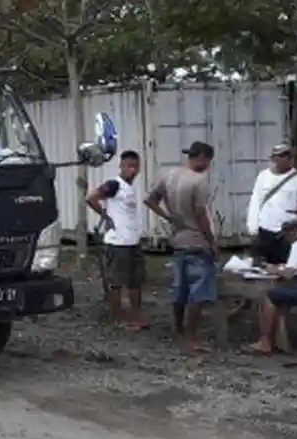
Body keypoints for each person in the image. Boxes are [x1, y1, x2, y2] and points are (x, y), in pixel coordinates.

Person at [144, 141, 217, 353]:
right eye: (208, 161)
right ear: (203, 158)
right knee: (198, 290)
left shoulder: (169, 175)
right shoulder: (199, 181)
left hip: (178, 239)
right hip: (196, 240)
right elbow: (201, 214)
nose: (208, 165)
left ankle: (178, 329)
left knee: (180, 288)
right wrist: (211, 241)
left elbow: (149, 200)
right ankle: (191, 336)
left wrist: (168, 217)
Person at [85, 150, 147, 329]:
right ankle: (117, 318)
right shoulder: (114, 185)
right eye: (129, 166)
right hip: (117, 242)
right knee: (116, 282)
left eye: (136, 166)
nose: (133, 170)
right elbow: (90, 198)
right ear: (121, 166)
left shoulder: (129, 188)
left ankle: (136, 315)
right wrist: (105, 216)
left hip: (133, 241)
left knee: (136, 281)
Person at [242, 218, 297, 357]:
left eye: (287, 236)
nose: (286, 241)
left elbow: (288, 274)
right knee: (283, 295)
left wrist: (269, 267)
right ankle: (281, 338)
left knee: (269, 296)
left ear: (294, 232)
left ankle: (264, 342)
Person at [246, 143, 297, 264]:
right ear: (273, 158)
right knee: (262, 269)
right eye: (279, 156)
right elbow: (256, 201)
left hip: (288, 233)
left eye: (286, 156)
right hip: (265, 231)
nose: (283, 159)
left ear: (291, 158)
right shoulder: (263, 176)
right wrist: (253, 227)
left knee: (287, 267)